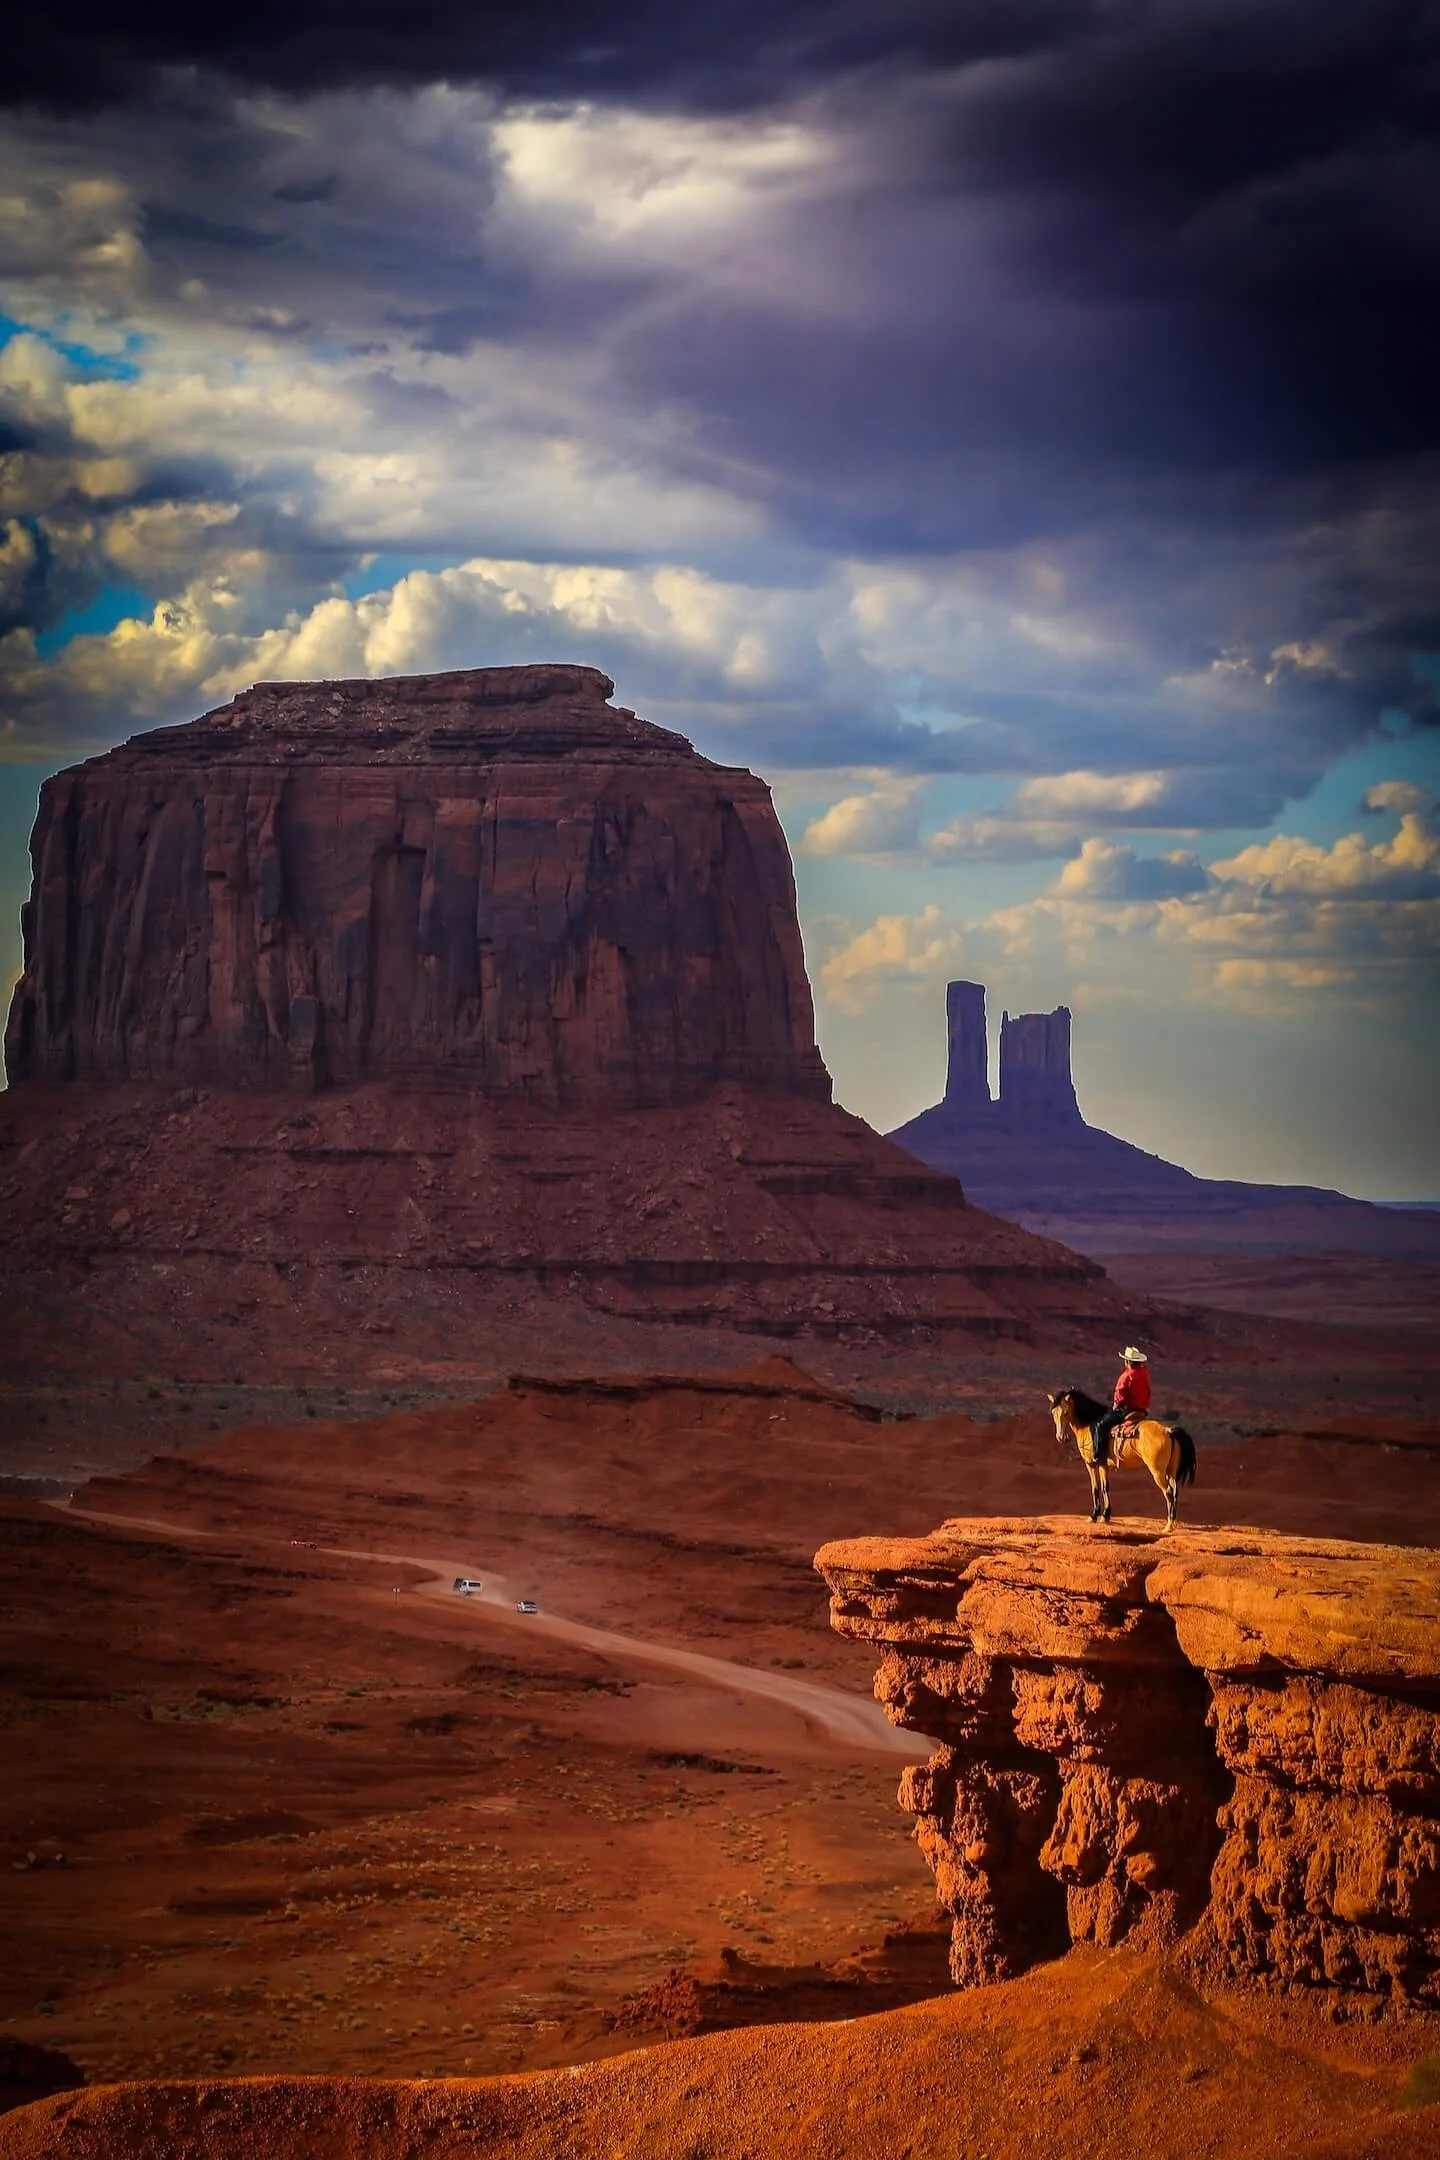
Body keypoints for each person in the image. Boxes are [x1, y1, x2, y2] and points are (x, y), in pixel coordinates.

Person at [1092, 1347, 1150, 1465]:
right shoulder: (1145, 1373)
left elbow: (1119, 1397)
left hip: (1127, 1411)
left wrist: (1115, 1407)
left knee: (1100, 1425)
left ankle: (1100, 1456)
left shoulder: (1126, 1376)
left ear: (1127, 1362)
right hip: (1142, 1411)